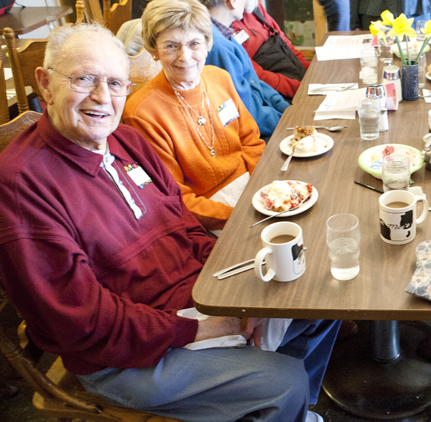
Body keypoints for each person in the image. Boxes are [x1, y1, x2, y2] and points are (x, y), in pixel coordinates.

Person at [0, 23, 337, 422]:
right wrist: (199, 329)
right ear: (44, 83)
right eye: (83, 79)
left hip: (196, 301)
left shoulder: (126, 141)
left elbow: (187, 226)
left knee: (322, 294)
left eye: (115, 83)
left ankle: (284, 411)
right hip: (123, 353)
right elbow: (84, 322)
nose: (101, 98)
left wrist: (245, 295)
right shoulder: (21, 187)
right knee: (284, 381)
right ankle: (273, 399)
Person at [123, 0, 265, 233]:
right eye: (171, 46)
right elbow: (176, 195)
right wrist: (238, 217)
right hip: (208, 214)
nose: (185, 57)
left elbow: (251, 141)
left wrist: (265, 190)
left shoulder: (219, 78)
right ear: (154, 50)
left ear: (208, 43)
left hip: (254, 185)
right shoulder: (141, 113)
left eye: (194, 43)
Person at [193, 0, 290, 138]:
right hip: (257, 134)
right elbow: (247, 112)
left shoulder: (224, 32)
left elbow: (255, 83)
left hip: (270, 119)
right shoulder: (218, 48)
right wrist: (288, 120)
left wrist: (287, 109)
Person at [193, 0, 310, 100]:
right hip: (280, 93)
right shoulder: (221, 42)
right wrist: (300, 91)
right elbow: (254, 86)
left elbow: (283, 41)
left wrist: (309, 72)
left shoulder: (242, 15)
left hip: (284, 90)